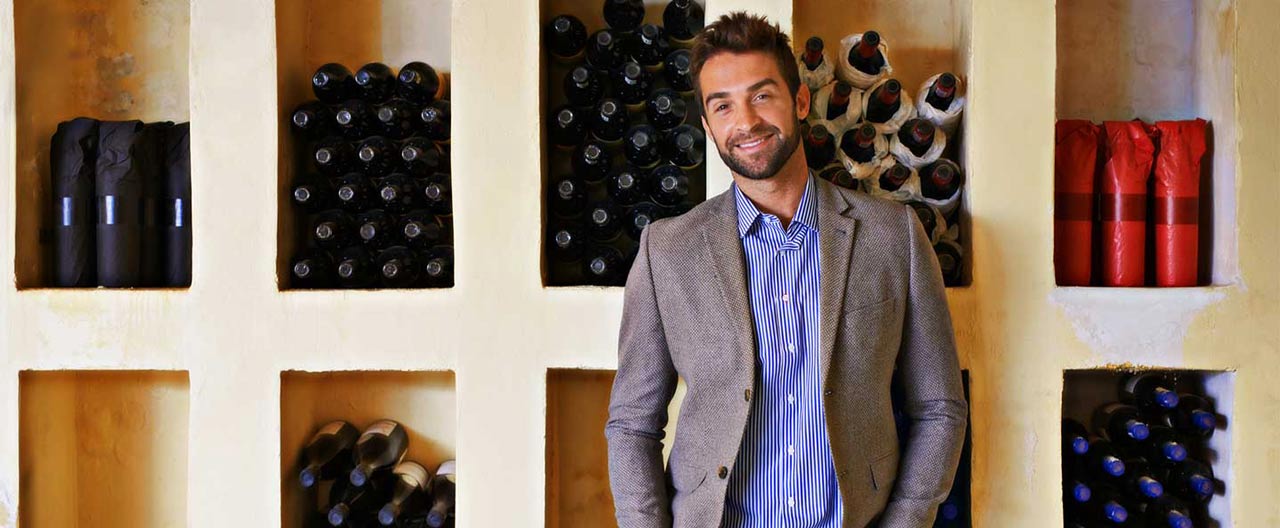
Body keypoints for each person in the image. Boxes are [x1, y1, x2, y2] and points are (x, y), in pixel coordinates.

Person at [605, 11, 967, 528]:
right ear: (707, 126)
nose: (746, 122)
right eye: (723, 106)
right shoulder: (667, 251)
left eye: (761, 95)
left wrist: (906, 519)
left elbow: (940, 407)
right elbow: (632, 425)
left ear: (798, 101)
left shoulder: (894, 236)